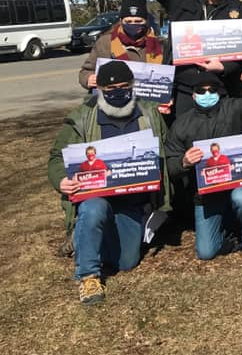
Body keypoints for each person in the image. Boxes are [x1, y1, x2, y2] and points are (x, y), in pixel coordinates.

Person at [48, 60, 170, 304]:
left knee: (125, 263)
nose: (118, 93)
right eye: (110, 89)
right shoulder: (83, 117)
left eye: (124, 87)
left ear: (133, 86)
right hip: (97, 196)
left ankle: (87, 236)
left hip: (133, 202)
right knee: (93, 209)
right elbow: (57, 157)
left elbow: (167, 150)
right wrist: (60, 179)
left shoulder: (149, 113)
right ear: (100, 89)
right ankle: (88, 276)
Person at [165, 70, 242, 267]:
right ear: (193, 94)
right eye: (201, 90)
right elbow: (170, 165)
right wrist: (184, 162)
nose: (207, 94)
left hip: (236, 184)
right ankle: (231, 233)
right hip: (205, 193)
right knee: (206, 252)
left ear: (219, 92)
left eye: (212, 90)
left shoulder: (234, 108)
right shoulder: (181, 124)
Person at [79, 0, 164, 90]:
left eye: (138, 21)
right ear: (121, 21)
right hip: (112, 99)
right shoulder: (105, 42)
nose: (133, 25)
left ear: (146, 21)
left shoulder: (159, 45)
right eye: (128, 22)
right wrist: (88, 78)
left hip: (148, 100)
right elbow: (86, 71)